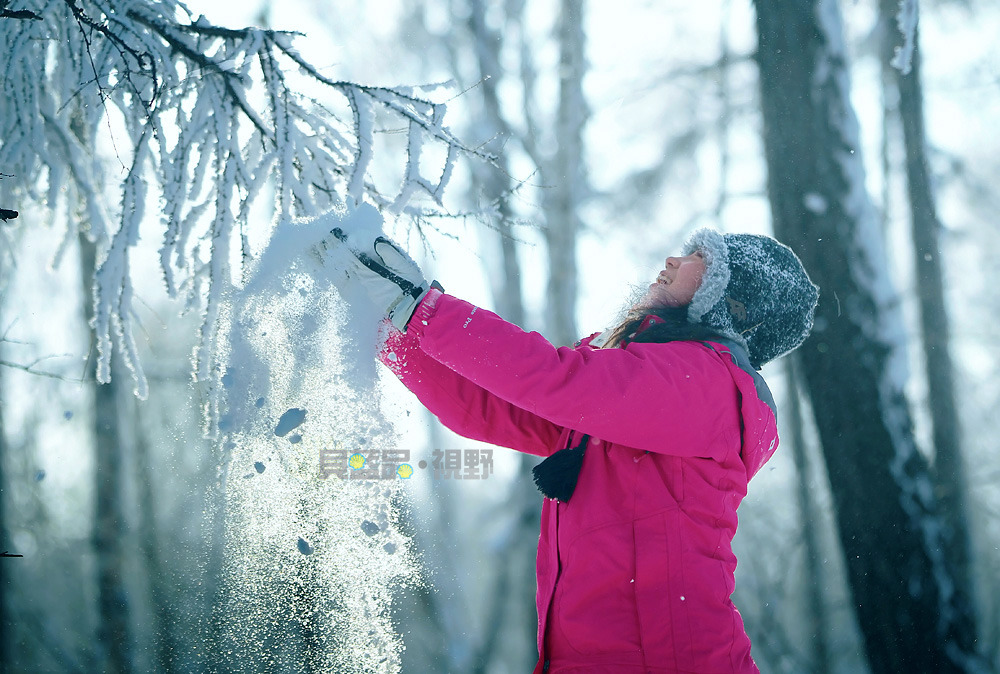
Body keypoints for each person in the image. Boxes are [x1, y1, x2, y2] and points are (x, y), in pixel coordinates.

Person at [315, 211, 819, 673]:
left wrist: (421, 309)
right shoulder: (642, 384)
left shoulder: (710, 383)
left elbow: (559, 381)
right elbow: (490, 406)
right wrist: (386, 324)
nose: (674, 259)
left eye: (700, 260)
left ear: (730, 301)